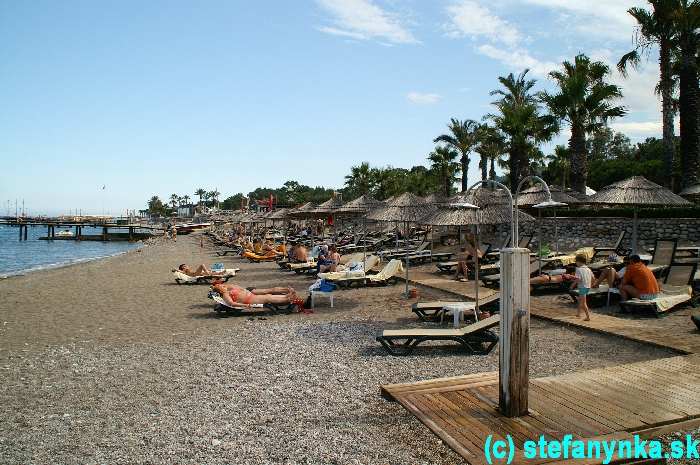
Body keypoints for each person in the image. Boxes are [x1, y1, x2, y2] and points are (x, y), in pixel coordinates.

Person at [212, 282, 300, 306]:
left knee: (267, 296)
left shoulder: (227, 290)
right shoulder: (225, 295)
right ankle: (287, 298)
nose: (223, 286)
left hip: (250, 296)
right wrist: (245, 306)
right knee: (267, 298)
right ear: (220, 291)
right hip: (249, 299)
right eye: (221, 286)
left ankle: (286, 296)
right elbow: (232, 303)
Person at [572, 253, 593, 321]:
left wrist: (572, 285)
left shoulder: (578, 269)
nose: (576, 263)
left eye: (576, 261)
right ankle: (578, 313)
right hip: (587, 287)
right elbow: (593, 277)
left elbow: (578, 279)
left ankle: (588, 316)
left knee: (583, 303)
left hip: (582, 287)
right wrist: (592, 284)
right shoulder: (588, 269)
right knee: (580, 300)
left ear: (578, 261)